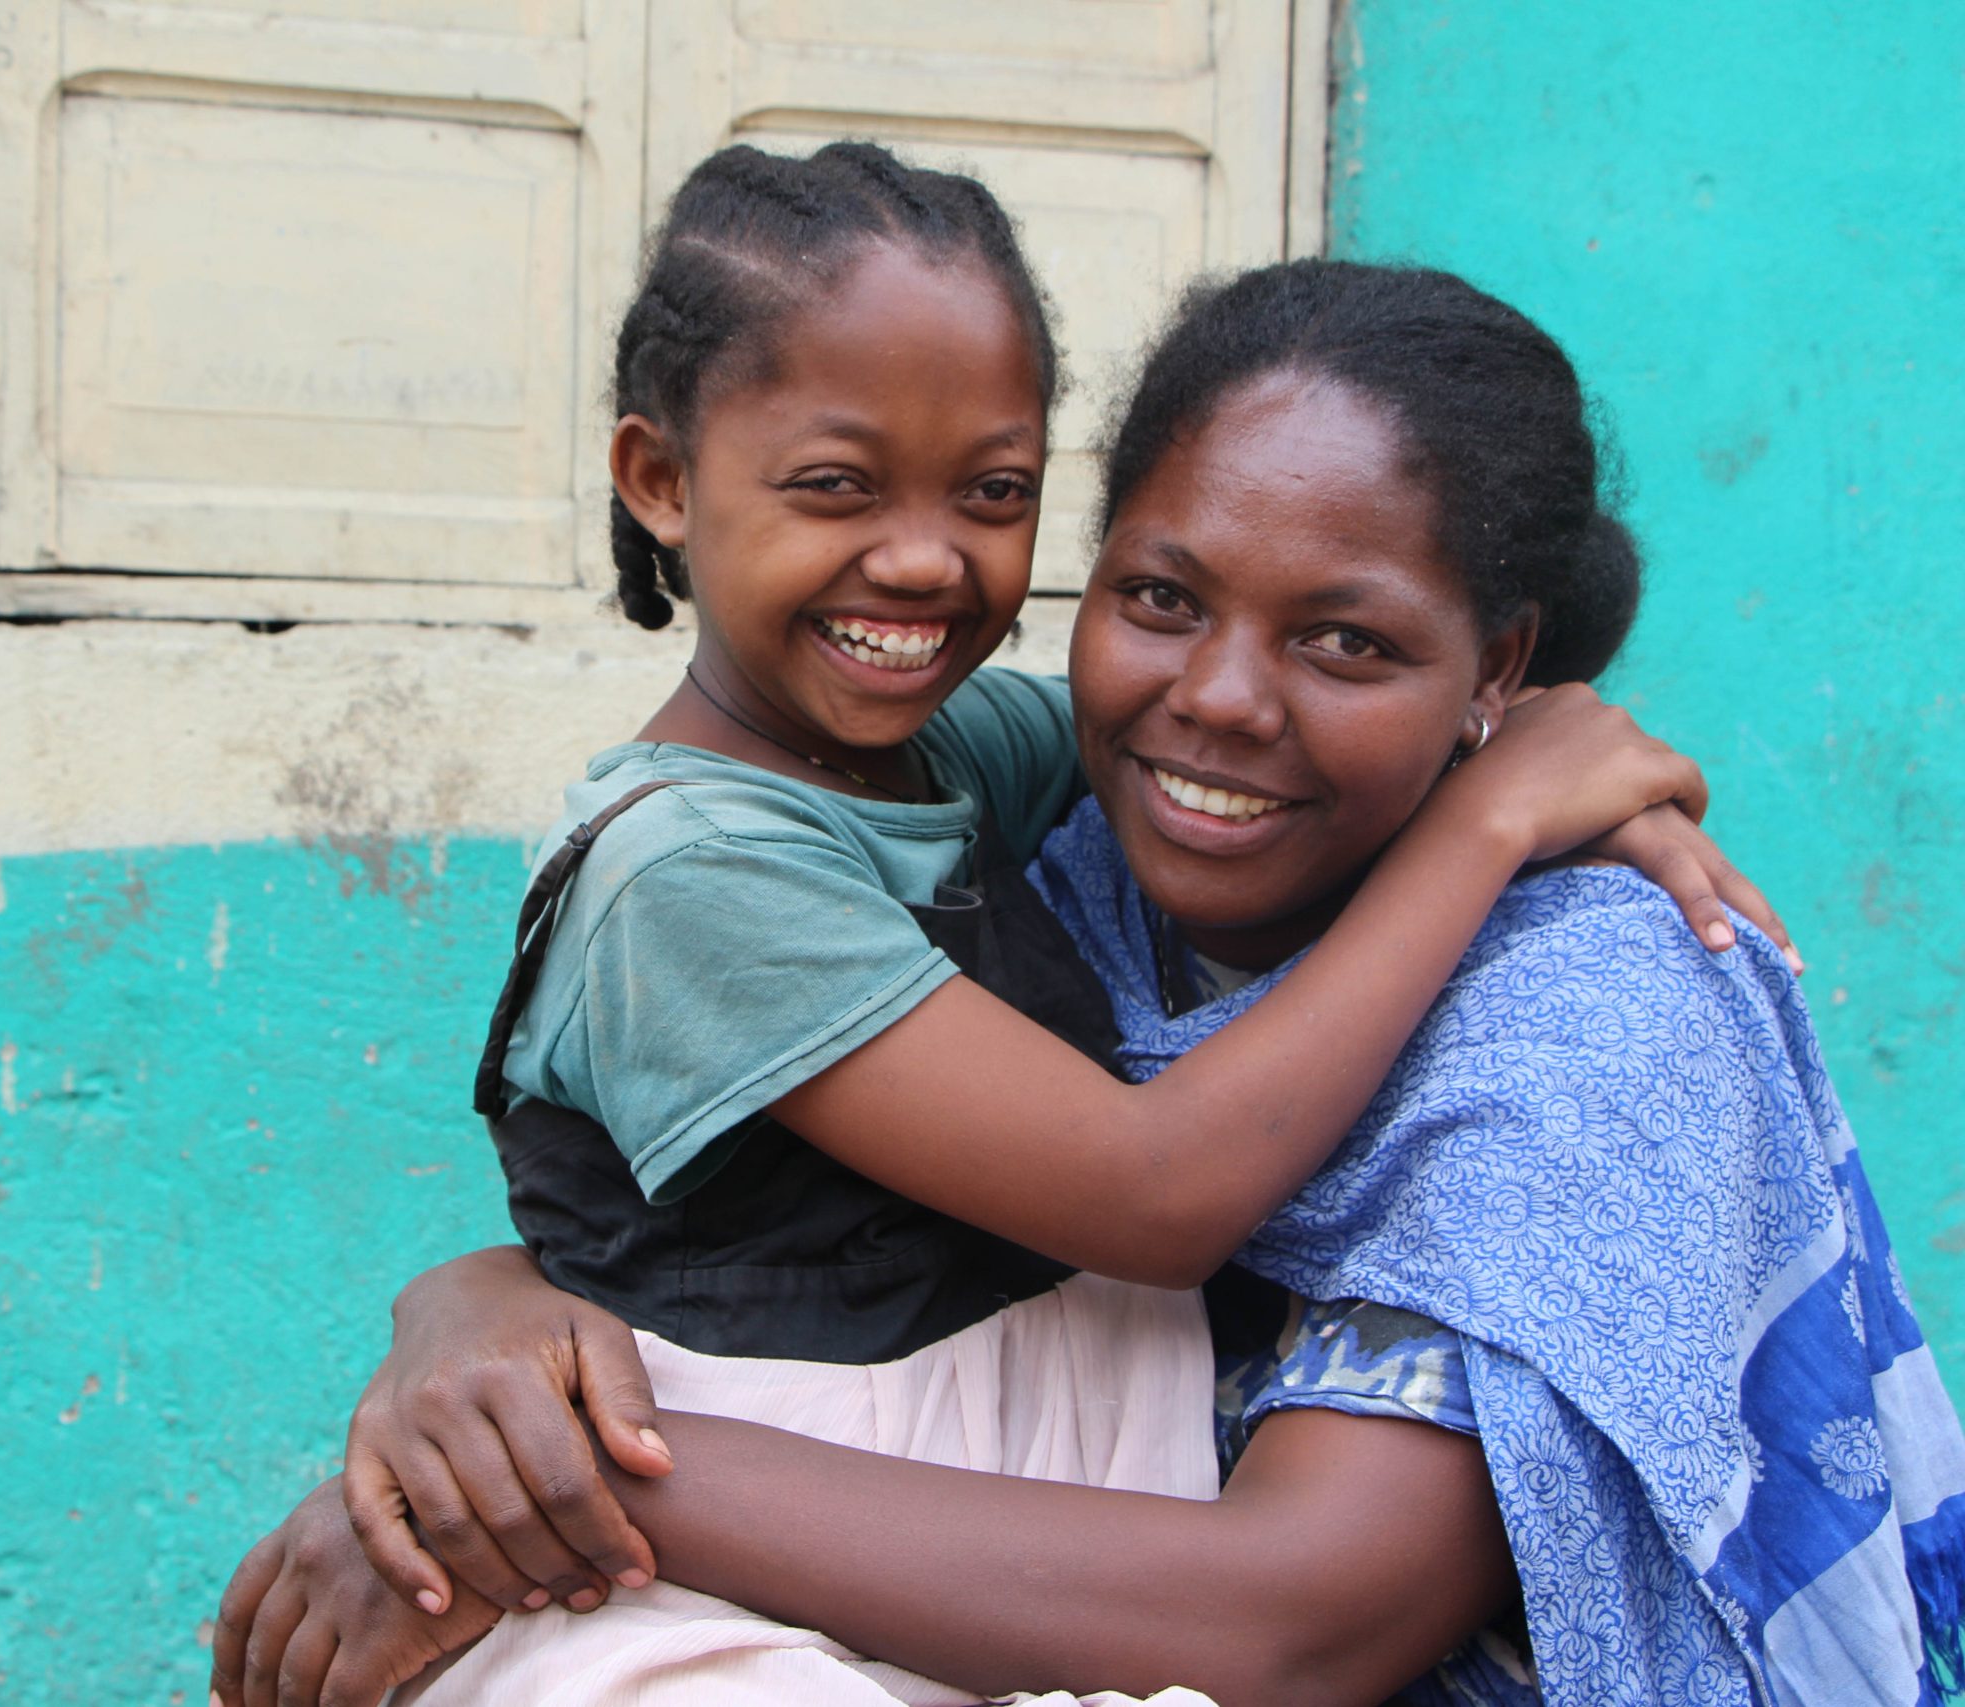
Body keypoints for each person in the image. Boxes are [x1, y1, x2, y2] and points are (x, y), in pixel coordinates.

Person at [214, 259, 1964, 1706]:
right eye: (1159, 596)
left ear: (1497, 667)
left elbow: (1294, 1620)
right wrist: (473, 1312)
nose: (1218, 698)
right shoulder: (1065, 860)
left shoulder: (1589, 1010)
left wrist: (548, 1488)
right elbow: (800, 1236)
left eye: (1344, 641)